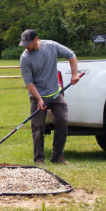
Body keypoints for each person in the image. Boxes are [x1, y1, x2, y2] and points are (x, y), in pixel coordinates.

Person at [19, 29, 80, 164]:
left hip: (55, 93)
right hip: (37, 96)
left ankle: (57, 156)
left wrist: (74, 74)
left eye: (28, 43)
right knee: (38, 127)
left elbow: (71, 54)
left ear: (36, 40)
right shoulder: (25, 58)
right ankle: (39, 159)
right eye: (24, 44)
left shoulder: (51, 46)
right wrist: (40, 99)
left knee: (62, 121)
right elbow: (29, 82)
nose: (26, 47)